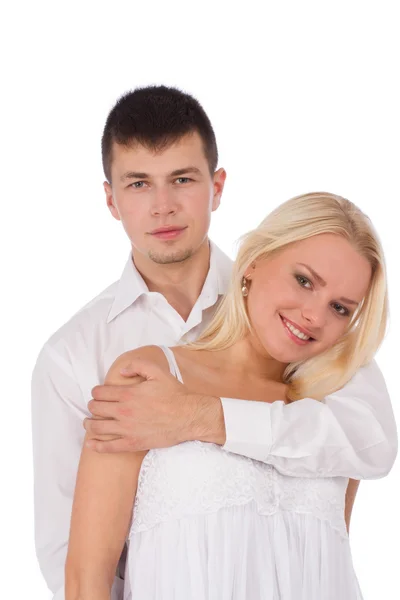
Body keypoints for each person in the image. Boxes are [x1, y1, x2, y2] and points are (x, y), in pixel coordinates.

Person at [31, 86, 383, 600]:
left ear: (216, 186)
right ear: (111, 198)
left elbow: (359, 458)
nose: (163, 206)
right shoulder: (82, 356)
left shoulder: (311, 342)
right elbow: (75, 565)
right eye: (138, 184)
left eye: (182, 179)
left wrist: (196, 417)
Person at [65, 191, 397, 599]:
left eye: (341, 308)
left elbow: (326, 562)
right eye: (304, 280)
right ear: (255, 262)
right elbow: (86, 580)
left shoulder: (326, 415)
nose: (315, 315)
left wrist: (197, 417)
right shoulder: (148, 378)